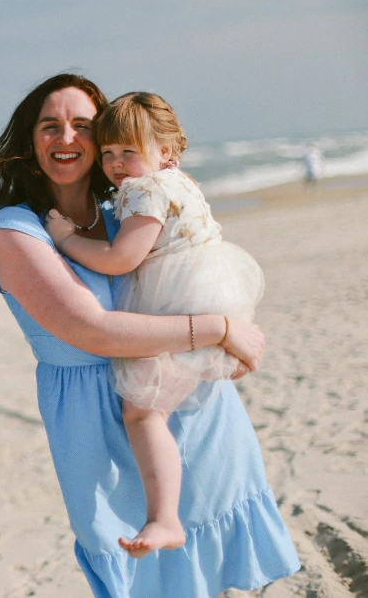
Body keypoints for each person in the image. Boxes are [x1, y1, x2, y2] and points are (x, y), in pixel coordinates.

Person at [0, 73, 299, 597]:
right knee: (136, 577)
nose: (66, 138)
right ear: (28, 140)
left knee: (210, 576)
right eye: (49, 125)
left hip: (193, 412)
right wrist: (220, 330)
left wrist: (221, 335)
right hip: (98, 427)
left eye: (82, 126)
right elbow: (93, 330)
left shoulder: (121, 214)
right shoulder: (17, 229)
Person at [44, 92, 265, 557]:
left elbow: (120, 259)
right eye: (108, 154)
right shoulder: (178, 181)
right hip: (214, 285)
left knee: (144, 413)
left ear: (165, 151)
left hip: (183, 296)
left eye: (129, 152)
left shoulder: (145, 191)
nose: (116, 164)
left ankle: (165, 518)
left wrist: (65, 239)